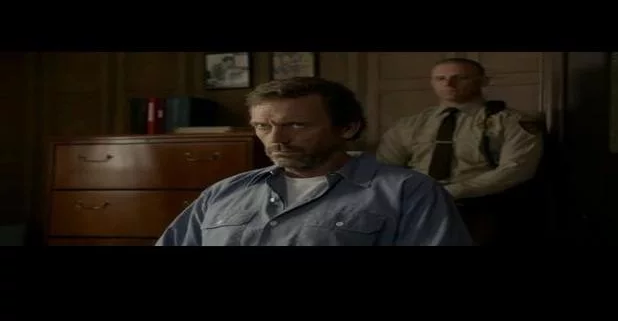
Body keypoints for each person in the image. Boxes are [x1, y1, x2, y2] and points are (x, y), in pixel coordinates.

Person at [156, 77, 472, 246]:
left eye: (296, 125)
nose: (276, 139)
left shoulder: (408, 192)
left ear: (347, 128)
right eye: (263, 126)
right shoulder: (224, 192)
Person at [376, 58, 545, 244]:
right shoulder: (409, 125)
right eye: (440, 78)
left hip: (480, 205)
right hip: (418, 205)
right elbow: (386, 168)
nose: (449, 84)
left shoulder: (510, 121)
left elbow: (516, 169)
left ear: (483, 81)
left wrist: (451, 191)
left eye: (461, 78)